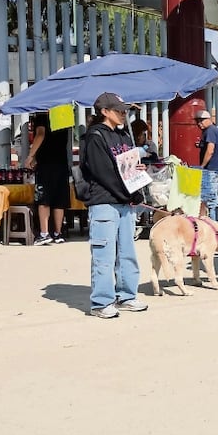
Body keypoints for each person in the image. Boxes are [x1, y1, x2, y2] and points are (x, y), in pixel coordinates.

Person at [77, 92, 148, 319]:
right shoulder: (95, 137)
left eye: (124, 110)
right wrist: (131, 194)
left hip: (125, 202)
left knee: (127, 253)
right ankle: (101, 302)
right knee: (104, 255)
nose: (123, 114)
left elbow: (129, 167)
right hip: (104, 202)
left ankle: (127, 295)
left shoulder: (124, 136)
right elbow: (104, 173)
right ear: (104, 111)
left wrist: (138, 179)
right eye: (118, 110)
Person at [26, 112, 72, 245]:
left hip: (46, 163)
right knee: (59, 200)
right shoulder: (64, 115)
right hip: (62, 162)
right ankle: (58, 233)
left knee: (43, 199)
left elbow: (41, 134)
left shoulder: (41, 116)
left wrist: (30, 156)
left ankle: (44, 233)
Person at [196, 108, 218, 221]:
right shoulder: (212, 131)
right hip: (214, 169)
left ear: (209, 119)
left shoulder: (210, 131)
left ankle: (214, 224)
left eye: (202, 120)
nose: (199, 123)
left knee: (210, 199)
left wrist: (202, 166)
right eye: (197, 121)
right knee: (207, 197)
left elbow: (210, 150)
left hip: (210, 170)